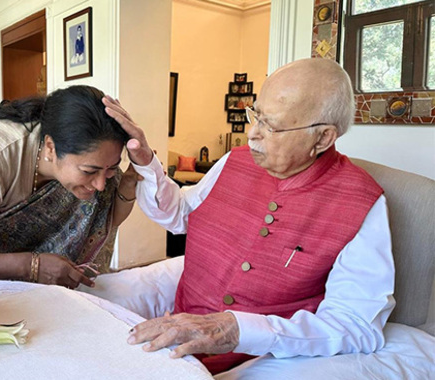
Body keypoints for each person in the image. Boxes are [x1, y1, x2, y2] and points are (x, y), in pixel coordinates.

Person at [103, 58, 395, 375]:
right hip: (177, 341)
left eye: (270, 125)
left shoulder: (362, 202)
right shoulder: (235, 160)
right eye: (255, 115)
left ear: (323, 138)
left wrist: (240, 329)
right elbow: (180, 214)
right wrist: (146, 161)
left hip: (258, 360)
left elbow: (355, 323)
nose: (251, 134)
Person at [0, 85, 138, 289]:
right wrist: (31, 266)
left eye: (111, 169)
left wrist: (128, 184)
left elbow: (104, 221)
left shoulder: (99, 160)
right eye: (88, 171)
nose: (101, 184)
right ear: (50, 147)